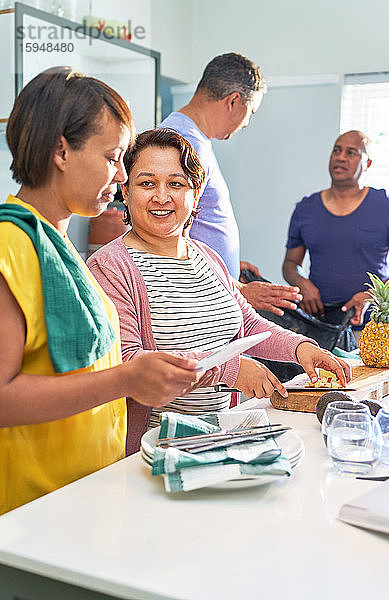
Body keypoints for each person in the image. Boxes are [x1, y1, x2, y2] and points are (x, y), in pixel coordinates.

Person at [0, 68, 208, 515]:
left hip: (85, 492)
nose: (120, 175)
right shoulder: (9, 245)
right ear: (61, 151)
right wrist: (127, 379)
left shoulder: (58, 246)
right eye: (113, 157)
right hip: (35, 508)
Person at [87, 128, 351, 454]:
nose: (161, 196)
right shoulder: (110, 267)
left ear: (195, 193)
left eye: (176, 183)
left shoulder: (206, 256)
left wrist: (300, 349)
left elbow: (249, 324)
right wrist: (230, 369)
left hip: (223, 435)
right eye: (146, 183)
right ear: (125, 191)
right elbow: (129, 363)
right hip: (153, 449)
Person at [160, 52, 302, 317]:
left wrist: (228, 266)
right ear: (234, 101)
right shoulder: (181, 142)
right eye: (250, 112)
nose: (246, 123)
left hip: (213, 291)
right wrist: (237, 287)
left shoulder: (195, 139)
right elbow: (167, 239)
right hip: (195, 305)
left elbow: (195, 227)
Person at [282, 130, 389, 328]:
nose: (340, 157)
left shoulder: (387, 207)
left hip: (371, 328)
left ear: (367, 163)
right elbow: (291, 263)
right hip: (318, 326)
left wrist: (372, 296)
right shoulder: (305, 209)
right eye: (336, 151)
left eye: (351, 152)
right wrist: (302, 283)